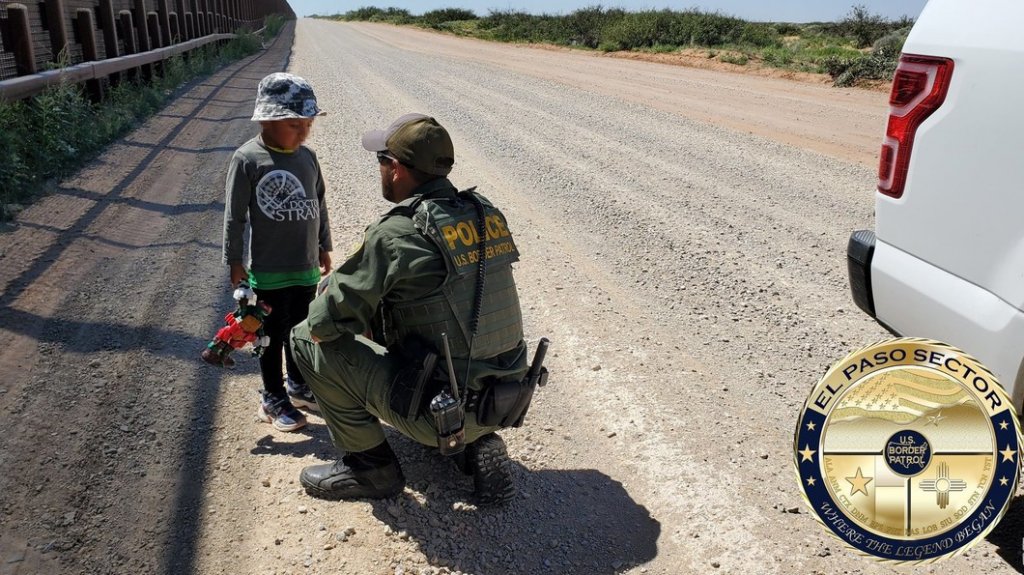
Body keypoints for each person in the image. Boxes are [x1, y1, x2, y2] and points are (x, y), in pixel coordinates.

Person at [290, 113, 531, 505]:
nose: (381, 170)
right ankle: (473, 445)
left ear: (397, 169)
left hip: (444, 404)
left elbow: (324, 323)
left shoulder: (399, 233)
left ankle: (370, 468)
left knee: (304, 337)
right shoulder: (484, 212)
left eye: (382, 162)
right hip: (504, 394)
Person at [222, 72, 333, 432]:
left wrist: (324, 245)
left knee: (301, 330)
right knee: (270, 336)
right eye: (294, 124)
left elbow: (319, 204)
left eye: (308, 124)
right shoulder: (248, 159)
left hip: (305, 268)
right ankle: (272, 397)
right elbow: (235, 216)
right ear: (267, 120)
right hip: (269, 270)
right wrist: (235, 261)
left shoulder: (308, 158)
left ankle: (298, 386)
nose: (303, 132)